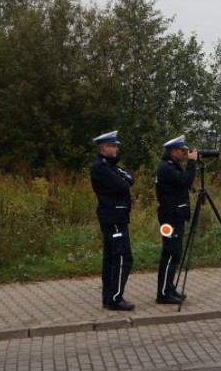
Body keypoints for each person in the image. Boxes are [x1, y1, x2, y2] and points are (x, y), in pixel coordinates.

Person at [90, 130, 136, 311]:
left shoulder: (111, 166)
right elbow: (123, 184)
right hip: (113, 216)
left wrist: (125, 177)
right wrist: (125, 179)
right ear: (104, 147)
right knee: (123, 257)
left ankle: (109, 298)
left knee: (111, 257)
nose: (116, 149)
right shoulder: (101, 167)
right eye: (113, 145)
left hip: (116, 215)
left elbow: (130, 176)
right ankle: (115, 298)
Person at [155, 135, 198, 304]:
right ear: (174, 151)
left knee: (175, 253)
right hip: (169, 218)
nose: (185, 154)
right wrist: (192, 163)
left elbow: (182, 183)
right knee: (170, 253)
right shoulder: (166, 167)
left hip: (174, 216)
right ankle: (163, 294)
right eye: (183, 151)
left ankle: (169, 288)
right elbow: (183, 180)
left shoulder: (172, 166)